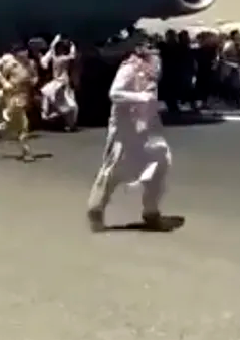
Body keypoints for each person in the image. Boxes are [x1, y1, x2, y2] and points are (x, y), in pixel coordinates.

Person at [86, 37, 173, 232]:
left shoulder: (152, 67)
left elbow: (150, 91)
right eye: (148, 46)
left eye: (154, 46)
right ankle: (96, 209)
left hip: (147, 126)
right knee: (115, 168)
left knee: (161, 161)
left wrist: (152, 104)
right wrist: (140, 98)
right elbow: (114, 94)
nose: (153, 51)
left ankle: (151, 212)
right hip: (126, 127)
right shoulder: (129, 68)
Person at [0, 44, 36, 161]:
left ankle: (2, 125)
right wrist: (4, 82)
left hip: (24, 95)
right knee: (23, 123)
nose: (25, 53)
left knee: (15, 124)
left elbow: (34, 76)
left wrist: (33, 81)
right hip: (12, 94)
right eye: (22, 51)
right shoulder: (9, 62)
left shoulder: (30, 64)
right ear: (16, 53)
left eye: (26, 51)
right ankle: (26, 151)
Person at [39, 35, 79, 130]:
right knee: (68, 105)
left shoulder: (57, 57)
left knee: (68, 105)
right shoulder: (60, 58)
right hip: (59, 83)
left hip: (62, 83)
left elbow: (52, 49)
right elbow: (72, 55)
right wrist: (72, 45)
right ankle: (49, 115)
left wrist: (56, 40)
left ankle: (67, 123)